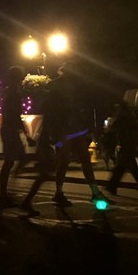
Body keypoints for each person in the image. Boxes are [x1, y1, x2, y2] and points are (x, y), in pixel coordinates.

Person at [20, 61, 112, 216]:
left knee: (71, 160)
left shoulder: (63, 86)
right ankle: (80, 192)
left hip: (69, 129)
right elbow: (53, 110)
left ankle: (71, 192)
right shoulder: (64, 87)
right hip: (66, 128)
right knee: (68, 161)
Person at [105, 102, 138, 198]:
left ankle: (112, 186)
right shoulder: (131, 117)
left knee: (121, 167)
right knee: (132, 169)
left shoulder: (122, 117)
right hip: (130, 145)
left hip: (126, 145)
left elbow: (112, 129)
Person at [0, 66, 28, 209]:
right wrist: (26, 134)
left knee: (10, 162)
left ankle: (6, 193)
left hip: (8, 129)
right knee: (14, 161)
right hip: (10, 130)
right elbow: (15, 116)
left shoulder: (9, 92)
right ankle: (5, 194)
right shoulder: (15, 93)